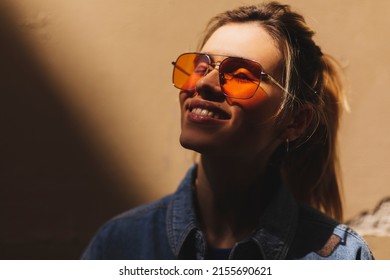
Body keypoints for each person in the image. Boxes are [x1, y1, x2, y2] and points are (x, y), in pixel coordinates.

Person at [82, 1, 373, 259]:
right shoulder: (120, 244)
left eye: (239, 75)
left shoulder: (342, 258)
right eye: (200, 66)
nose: (205, 83)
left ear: (294, 122)